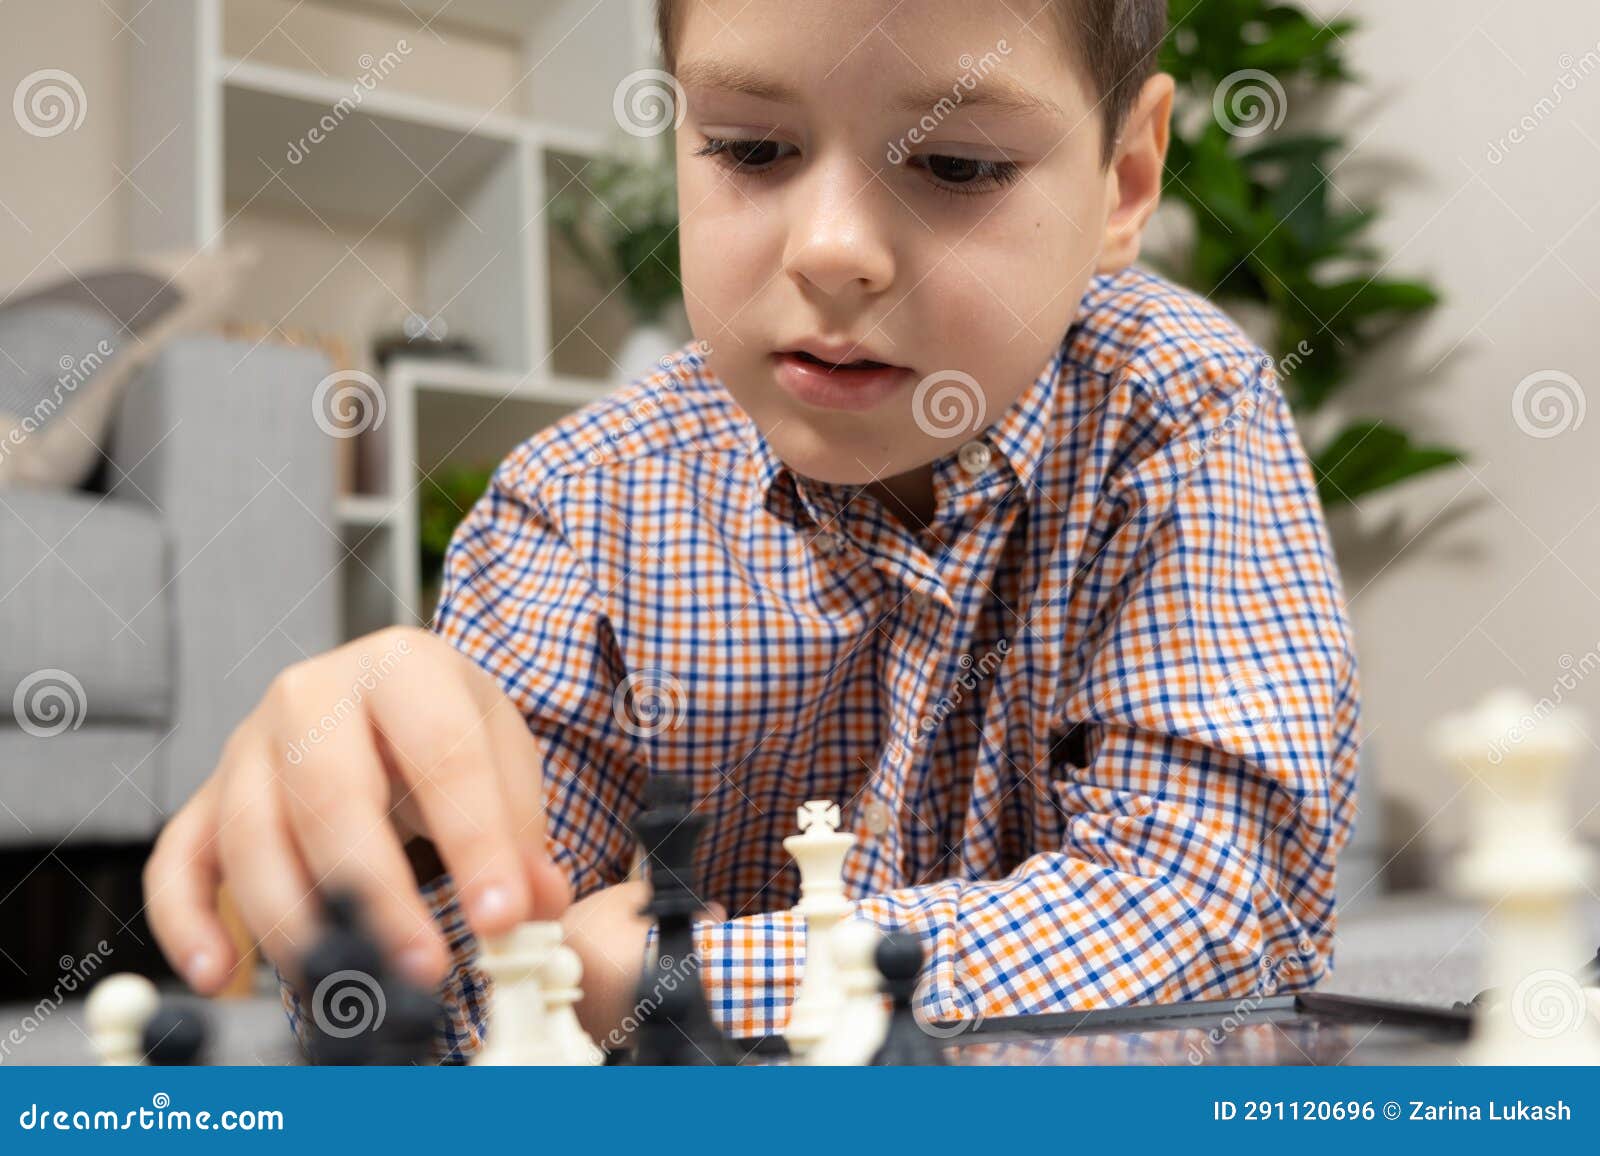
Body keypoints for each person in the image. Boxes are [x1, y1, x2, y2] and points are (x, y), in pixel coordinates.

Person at [143, 0, 1359, 1062]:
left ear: (1124, 182)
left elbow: (1212, 910)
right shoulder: (575, 512)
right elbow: (465, 990)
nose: (830, 249)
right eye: (749, 147)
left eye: (958, 165)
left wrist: (688, 988)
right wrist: (386, 852)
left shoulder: (1176, 405)